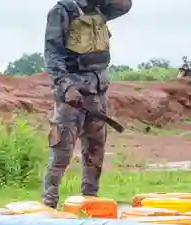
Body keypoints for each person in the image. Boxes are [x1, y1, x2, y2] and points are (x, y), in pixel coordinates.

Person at [41, 0, 132, 209]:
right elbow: (52, 55)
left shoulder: (100, 8)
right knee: (61, 151)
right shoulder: (63, 11)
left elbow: (125, 5)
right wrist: (65, 87)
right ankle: (48, 205)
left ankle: (90, 204)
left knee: (95, 152)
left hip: (98, 93)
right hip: (73, 94)